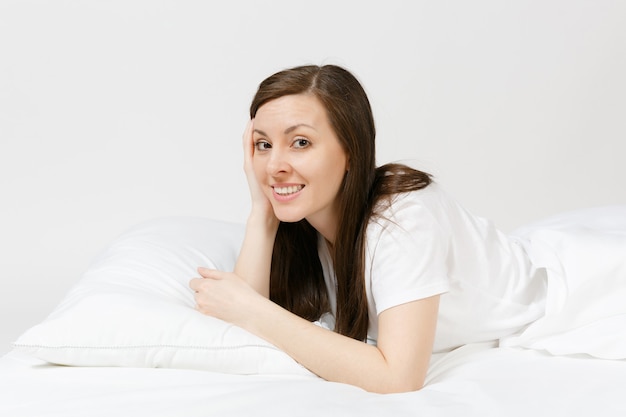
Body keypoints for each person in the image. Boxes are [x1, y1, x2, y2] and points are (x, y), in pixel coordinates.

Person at [188, 65, 621, 394]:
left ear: (352, 151)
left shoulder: (404, 215)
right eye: (263, 144)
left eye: (300, 142)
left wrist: (254, 310)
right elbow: (239, 331)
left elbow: (399, 376)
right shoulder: (301, 222)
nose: (276, 163)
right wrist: (261, 210)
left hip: (582, 290)